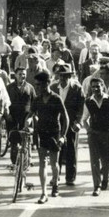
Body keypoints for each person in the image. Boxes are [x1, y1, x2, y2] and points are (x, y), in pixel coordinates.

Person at [79, 78, 109, 197]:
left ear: (103, 86)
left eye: (98, 86)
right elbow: (84, 119)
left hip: (107, 133)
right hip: (94, 134)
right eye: (93, 87)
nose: (96, 89)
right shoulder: (88, 102)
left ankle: (105, 180)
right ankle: (96, 186)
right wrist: (88, 130)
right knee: (94, 161)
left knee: (106, 159)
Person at [31, 71, 66, 203]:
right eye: (36, 85)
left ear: (47, 84)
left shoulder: (56, 98)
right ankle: (43, 192)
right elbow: (30, 114)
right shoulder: (37, 99)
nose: (37, 87)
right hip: (42, 133)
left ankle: (55, 184)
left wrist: (62, 136)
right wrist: (28, 121)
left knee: (54, 163)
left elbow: (66, 118)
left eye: (39, 85)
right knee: (42, 162)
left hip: (54, 133)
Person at [49, 64, 84, 187]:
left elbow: (81, 107)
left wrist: (79, 122)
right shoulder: (53, 87)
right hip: (56, 123)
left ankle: (70, 177)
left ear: (70, 76)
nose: (62, 79)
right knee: (56, 149)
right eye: (60, 76)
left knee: (71, 150)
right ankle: (55, 176)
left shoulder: (77, 88)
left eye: (65, 76)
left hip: (72, 123)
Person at [5, 66, 35, 169]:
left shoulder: (30, 87)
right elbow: (4, 103)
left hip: (26, 118)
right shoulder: (9, 88)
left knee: (26, 141)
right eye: (20, 74)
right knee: (14, 141)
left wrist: (31, 117)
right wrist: (7, 115)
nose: (22, 76)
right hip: (12, 118)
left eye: (24, 74)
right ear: (15, 75)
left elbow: (34, 103)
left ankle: (26, 162)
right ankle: (14, 163)